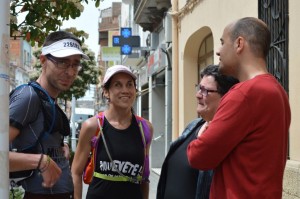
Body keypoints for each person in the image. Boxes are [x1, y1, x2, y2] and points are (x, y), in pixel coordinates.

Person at [187, 17, 291, 199]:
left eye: (222, 42)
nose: (218, 51)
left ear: (239, 44)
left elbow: (198, 156)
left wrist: (203, 131)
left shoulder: (244, 94)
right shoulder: (278, 92)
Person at [9, 30, 89, 198]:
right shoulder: (28, 96)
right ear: (43, 60)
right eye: (62, 62)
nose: (70, 72)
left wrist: (59, 149)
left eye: (75, 64)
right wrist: (40, 161)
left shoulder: (48, 99)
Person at [156, 65, 238, 199]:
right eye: (199, 88)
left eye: (205, 90)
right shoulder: (193, 126)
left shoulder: (229, 139)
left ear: (226, 97)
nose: (198, 95)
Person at [71, 65, 153, 199]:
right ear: (106, 92)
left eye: (129, 84)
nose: (125, 90)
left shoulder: (145, 128)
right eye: (118, 85)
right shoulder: (93, 126)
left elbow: (144, 177)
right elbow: (76, 171)